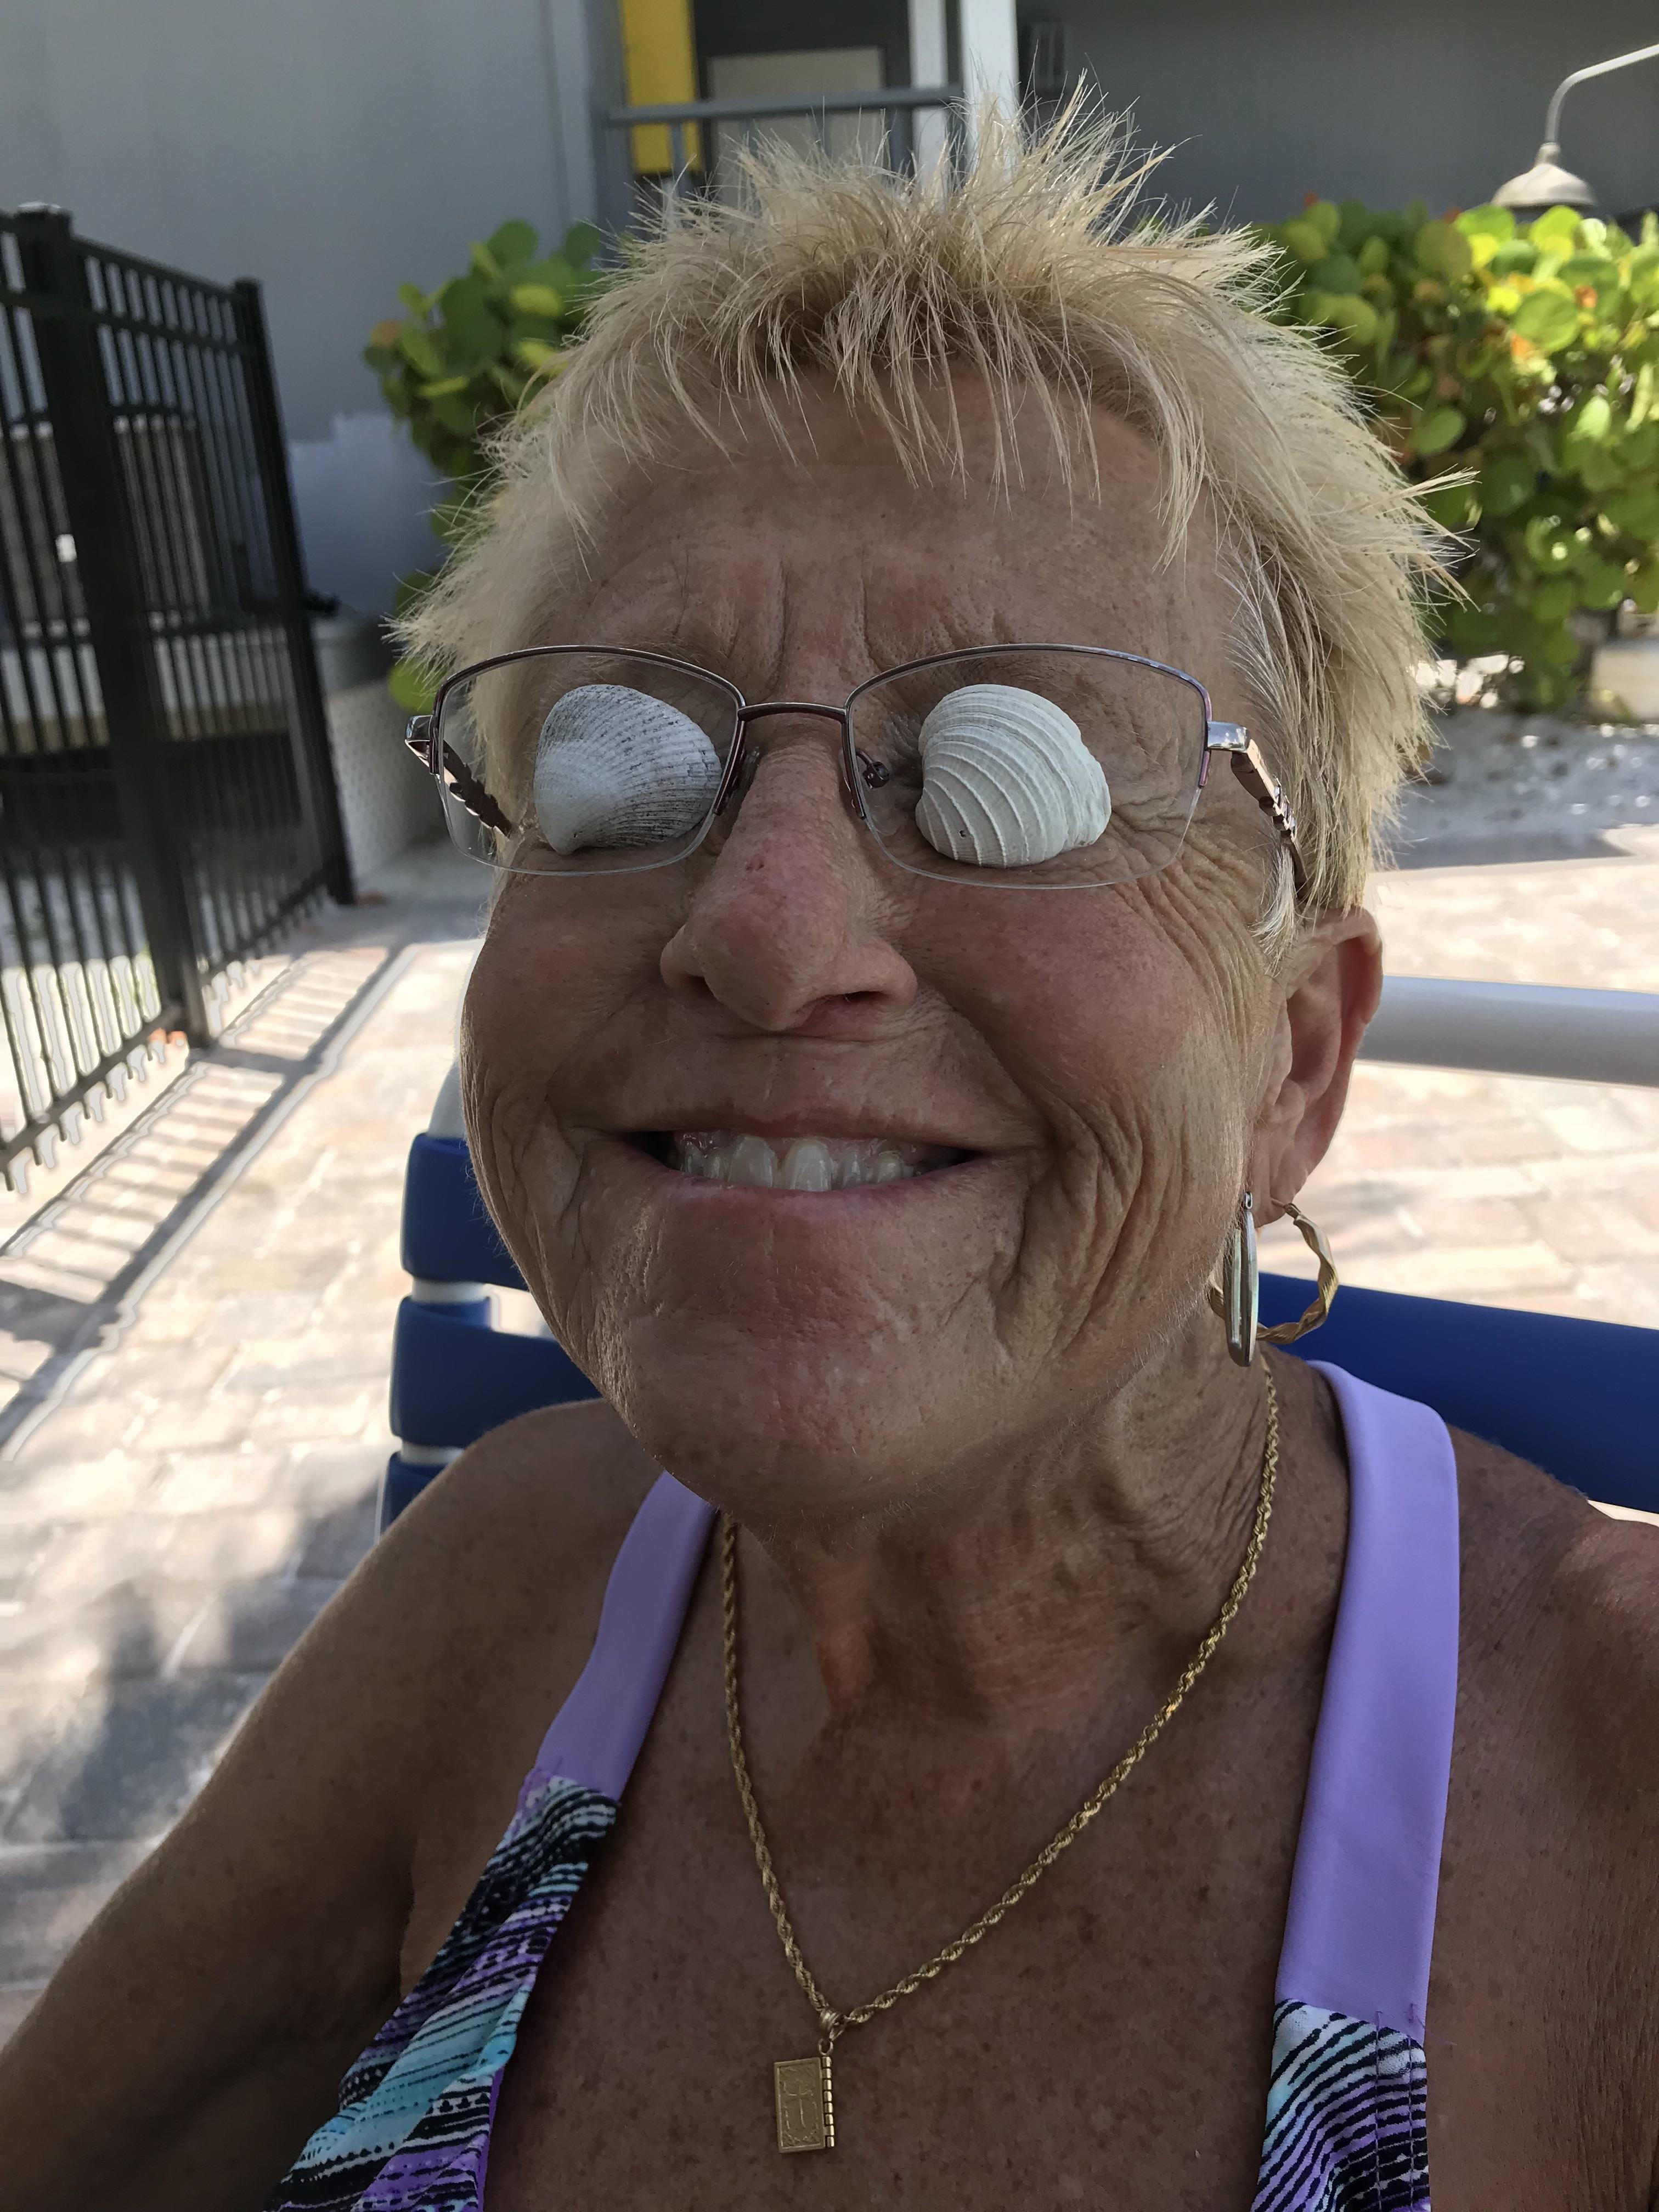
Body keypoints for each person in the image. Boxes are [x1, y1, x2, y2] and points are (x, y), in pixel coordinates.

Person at [3, 111, 1656, 2212]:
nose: (767, 933)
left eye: (1010, 779)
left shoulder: (1616, 1772)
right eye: (622, 775)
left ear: (1296, 1062)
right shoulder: (505, 1587)